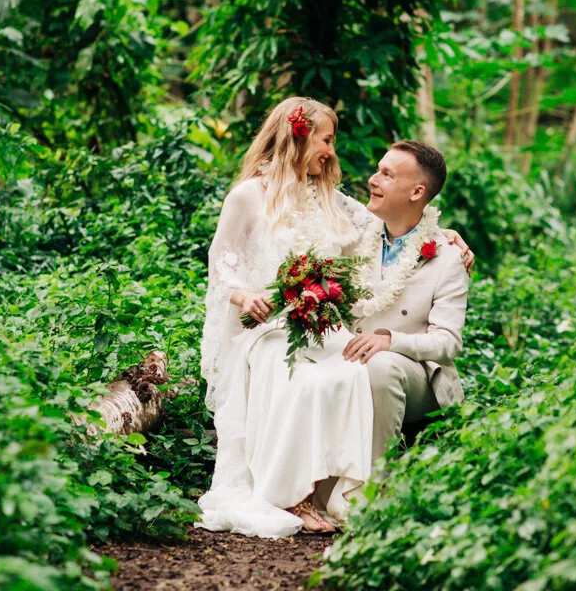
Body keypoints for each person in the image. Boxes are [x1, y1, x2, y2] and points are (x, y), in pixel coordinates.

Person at [198, 99, 473, 538]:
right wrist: (243, 294)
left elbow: (393, 223)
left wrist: (446, 236)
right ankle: (294, 494)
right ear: (298, 137)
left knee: (348, 375)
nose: (331, 150)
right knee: (302, 380)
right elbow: (220, 261)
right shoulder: (248, 195)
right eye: (326, 139)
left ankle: (345, 492)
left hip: (321, 326)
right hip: (268, 327)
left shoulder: (330, 199)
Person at [341, 141, 468, 463]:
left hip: (416, 374)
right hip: (348, 357)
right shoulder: (354, 236)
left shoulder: (448, 256)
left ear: (416, 193)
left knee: (380, 367)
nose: (372, 179)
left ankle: (374, 483)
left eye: (387, 175)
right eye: (377, 170)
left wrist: (390, 342)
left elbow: (447, 341)